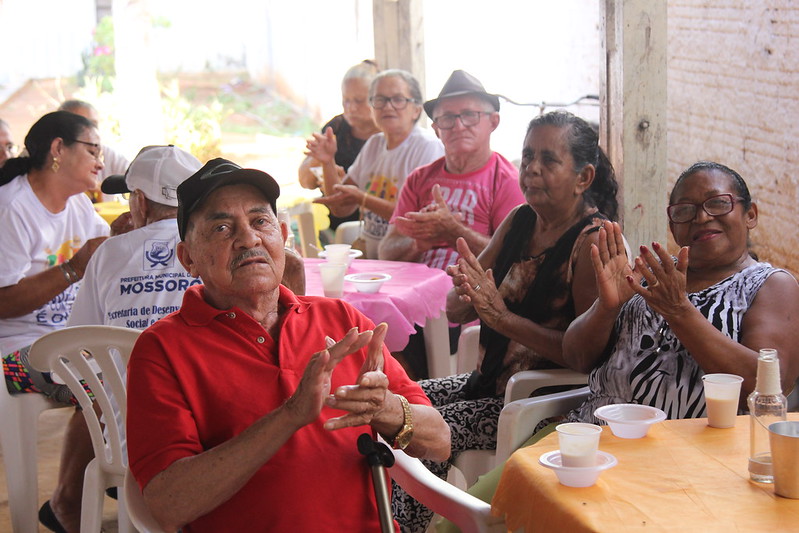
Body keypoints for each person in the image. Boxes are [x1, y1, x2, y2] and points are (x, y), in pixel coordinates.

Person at [126, 158, 450, 532]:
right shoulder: (163, 349)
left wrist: (386, 409)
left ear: (282, 236)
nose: (248, 239)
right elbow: (168, 504)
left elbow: (439, 441)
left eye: (260, 221)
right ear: (188, 259)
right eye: (221, 227)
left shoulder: (341, 320)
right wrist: (290, 415)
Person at [393, 110, 620, 532]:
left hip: (538, 402)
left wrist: (501, 315)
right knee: (397, 399)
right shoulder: (519, 221)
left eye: (549, 160)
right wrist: (466, 292)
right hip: (484, 383)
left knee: (417, 430)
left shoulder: (592, 242)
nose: (531, 169)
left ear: (583, 176)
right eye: (527, 156)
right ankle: (386, 521)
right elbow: (459, 307)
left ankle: (411, 528)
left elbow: (588, 356)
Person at [563, 161, 799, 420]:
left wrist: (680, 311)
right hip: (598, 434)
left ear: (750, 214)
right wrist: (606, 308)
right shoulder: (650, 276)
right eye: (684, 210)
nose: (702, 217)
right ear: (673, 228)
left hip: (690, 451)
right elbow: (577, 359)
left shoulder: (771, 285)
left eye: (718, 203)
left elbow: (765, 389)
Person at [0, 110, 110, 532]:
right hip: (14, 353)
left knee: (144, 366)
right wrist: (71, 269)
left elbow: (107, 252)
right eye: (92, 149)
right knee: (106, 379)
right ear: (58, 150)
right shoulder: (13, 208)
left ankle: (120, 478)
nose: (101, 161)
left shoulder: (79, 206)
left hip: (65, 345)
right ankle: (67, 501)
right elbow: (2, 302)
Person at [379, 70, 524, 271]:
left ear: (493, 122)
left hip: (469, 297)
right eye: (447, 118)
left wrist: (453, 230)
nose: (458, 125)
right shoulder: (419, 178)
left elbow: (513, 261)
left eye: (469, 115)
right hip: (416, 290)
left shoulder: (508, 181)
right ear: (436, 129)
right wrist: (418, 243)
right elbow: (385, 252)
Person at [307, 69, 444, 258]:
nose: (387, 107)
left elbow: (416, 220)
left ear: (416, 110)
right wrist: (328, 161)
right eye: (379, 100)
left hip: (409, 264)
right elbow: (341, 206)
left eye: (397, 99)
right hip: (373, 265)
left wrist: (362, 199)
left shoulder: (427, 147)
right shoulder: (375, 144)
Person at [298, 60, 381, 237]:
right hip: (334, 226)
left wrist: (351, 186)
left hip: (377, 227)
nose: (351, 108)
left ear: (377, 99)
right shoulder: (336, 128)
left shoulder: (388, 135)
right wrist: (322, 160)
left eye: (359, 101)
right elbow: (305, 181)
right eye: (346, 101)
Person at [59, 99, 130, 201]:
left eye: (94, 124)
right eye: (82, 125)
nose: (100, 165)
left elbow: (136, 177)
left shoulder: (107, 153)